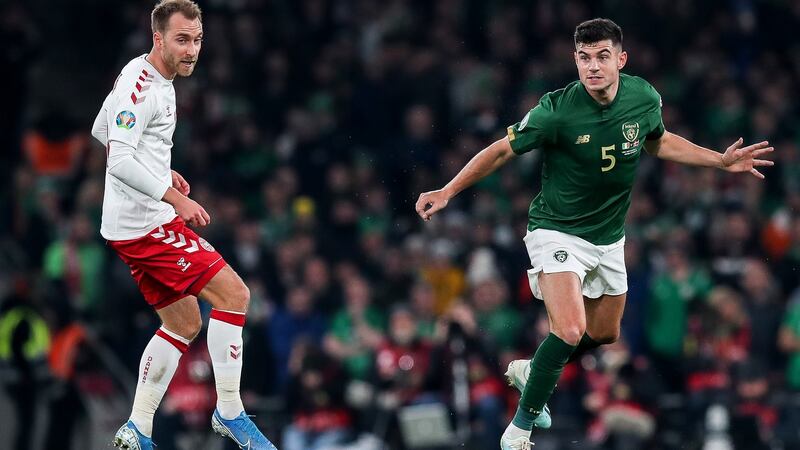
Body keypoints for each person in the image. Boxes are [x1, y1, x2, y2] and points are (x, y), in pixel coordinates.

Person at [414, 18, 773, 450]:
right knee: (568, 330)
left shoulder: (643, 97)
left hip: (608, 236)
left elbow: (656, 141)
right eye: (584, 58)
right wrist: (449, 189)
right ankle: (520, 428)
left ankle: (533, 369)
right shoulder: (556, 109)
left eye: (602, 57)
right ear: (576, 60)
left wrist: (718, 161)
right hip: (556, 230)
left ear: (621, 59)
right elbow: (502, 150)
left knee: (604, 334)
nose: (593, 67)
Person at [90, 1, 277, 449]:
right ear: (158, 38)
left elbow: (104, 129)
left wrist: (157, 169)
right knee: (235, 295)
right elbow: (117, 160)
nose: (192, 49)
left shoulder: (154, 76)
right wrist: (174, 196)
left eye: (197, 40)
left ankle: (138, 427)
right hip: (146, 226)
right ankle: (229, 410)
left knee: (184, 322)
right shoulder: (142, 86)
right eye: (182, 39)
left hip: (131, 226)